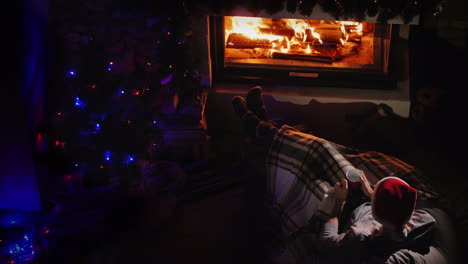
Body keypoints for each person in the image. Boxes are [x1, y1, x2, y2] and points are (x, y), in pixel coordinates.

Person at [231, 86, 457, 264]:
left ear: (376, 215)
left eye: (376, 191)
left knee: (318, 153)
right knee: (348, 157)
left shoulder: (361, 236)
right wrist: (371, 194)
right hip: (371, 205)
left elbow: (327, 243)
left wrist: (336, 207)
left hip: (344, 206)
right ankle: (265, 128)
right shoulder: (424, 222)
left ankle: (259, 129)